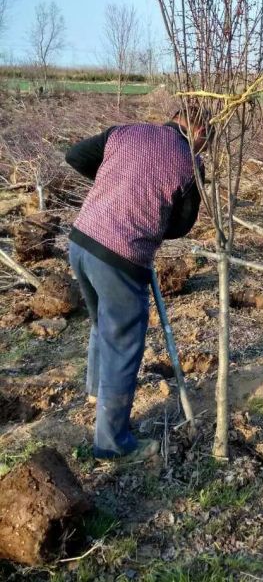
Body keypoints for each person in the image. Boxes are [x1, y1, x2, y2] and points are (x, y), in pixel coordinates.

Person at [65, 107, 209, 460]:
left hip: (81, 241)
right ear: (201, 132)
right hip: (121, 257)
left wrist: (117, 183)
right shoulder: (191, 163)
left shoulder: (126, 132)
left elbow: (75, 156)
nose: (207, 146)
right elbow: (182, 226)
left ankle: (96, 391)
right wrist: (147, 209)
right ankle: (112, 444)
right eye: (209, 139)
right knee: (124, 344)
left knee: (101, 322)